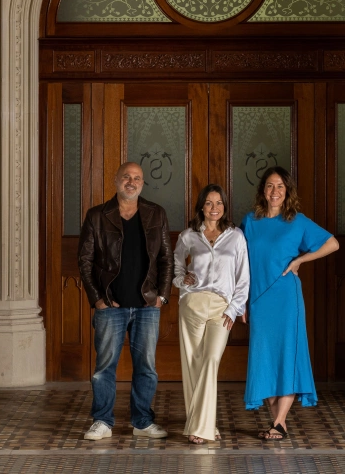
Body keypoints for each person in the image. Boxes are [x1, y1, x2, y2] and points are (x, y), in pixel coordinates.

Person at [240, 166, 339, 440]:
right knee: (266, 359)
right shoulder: (250, 221)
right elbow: (239, 262)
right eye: (270, 186)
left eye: (280, 186)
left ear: (287, 192)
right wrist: (242, 302)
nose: (275, 191)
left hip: (286, 299)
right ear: (263, 190)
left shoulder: (298, 221)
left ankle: (280, 422)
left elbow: (333, 244)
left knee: (287, 356)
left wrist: (300, 260)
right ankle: (277, 423)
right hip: (258, 300)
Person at [78, 162, 173, 441]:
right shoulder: (97, 215)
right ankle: (102, 421)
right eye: (126, 177)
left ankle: (142, 421)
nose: (131, 182)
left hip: (147, 305)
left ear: (143, 183)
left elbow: (167, 258)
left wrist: (162, 296)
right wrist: (97, 299)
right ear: (116, 180)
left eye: (137, 178)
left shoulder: (156, 213)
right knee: (104, 367)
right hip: (111, 305)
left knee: (146, 366)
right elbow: (84, 261)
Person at [173, 184, 250, 444]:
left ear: (225, 207)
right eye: (209, 203)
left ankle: (199, 426)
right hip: (192, 304)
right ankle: (205, 426)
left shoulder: (236, 236)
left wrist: (234, 308)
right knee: (193, 364)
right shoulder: (188, 236)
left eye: (219, 203)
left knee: (210, 361)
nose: (214, 208)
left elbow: (243, 278)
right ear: (201, 206)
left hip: (221, 307)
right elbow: (175, 264)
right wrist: (183, 279)